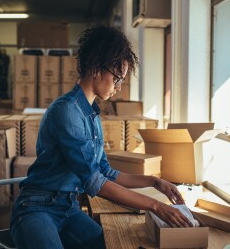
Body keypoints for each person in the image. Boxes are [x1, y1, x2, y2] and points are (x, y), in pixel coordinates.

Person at [10, 25, 193, 249]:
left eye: (121, 81)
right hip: (36, 208)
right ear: (97, 68)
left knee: (112, 244)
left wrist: (155, 182)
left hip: (68, 209)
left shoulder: (92, 113)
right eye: (117, 78)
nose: (118, 87)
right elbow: (94, 182)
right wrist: (155, 206)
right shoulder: (67, 111)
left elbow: (104, 171)